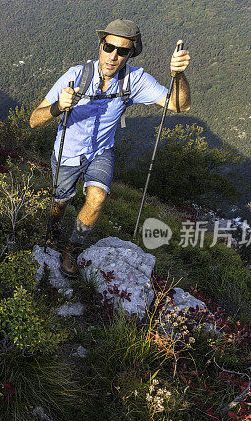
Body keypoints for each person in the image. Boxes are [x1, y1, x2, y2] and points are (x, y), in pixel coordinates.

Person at [29, 19, 191, 278]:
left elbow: (179, 105)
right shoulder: (75, 75)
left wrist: (178, 75)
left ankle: (73, 247)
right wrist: (58, 107)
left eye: (122, 51)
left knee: (97, 198)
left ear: (130, 55)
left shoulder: (134, 81)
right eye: (108, 47)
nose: (113, 56)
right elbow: (34, 120)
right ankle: (54, 227)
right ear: (101, 45)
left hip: (101, 151)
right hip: (68, 152)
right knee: (60, 202)